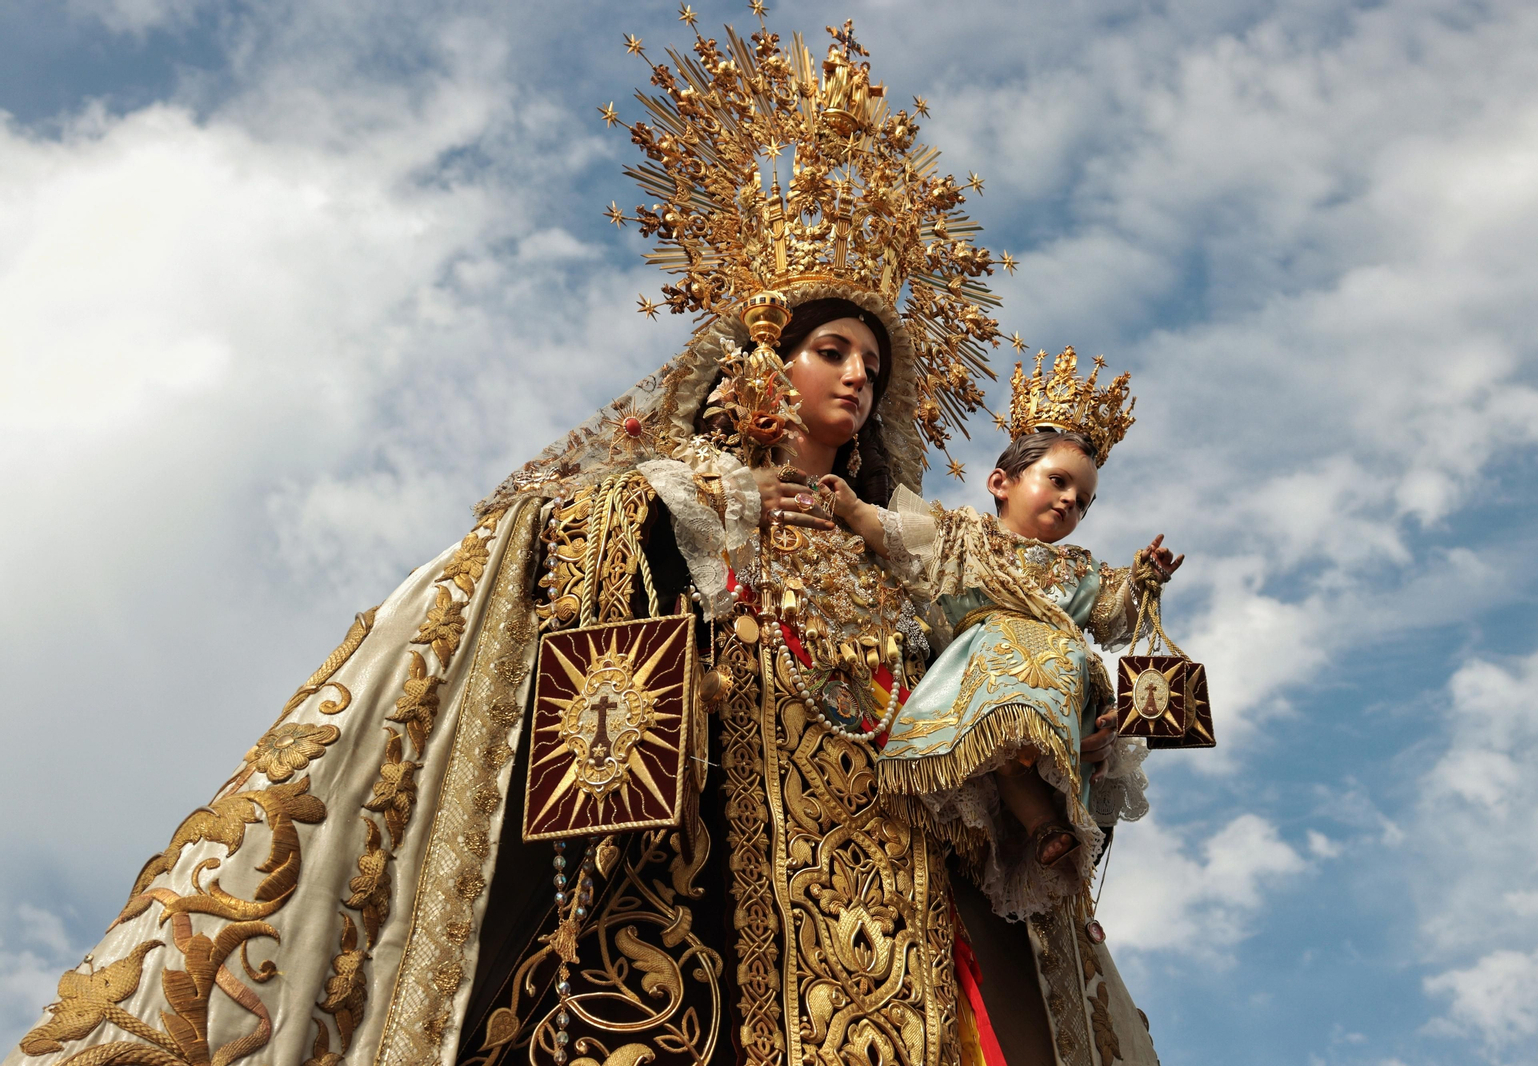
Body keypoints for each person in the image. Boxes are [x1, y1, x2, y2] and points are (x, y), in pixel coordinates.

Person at [7, 20, 1162, 1066]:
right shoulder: (678, 496)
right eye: (832, 351)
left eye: (872, 361)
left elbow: (984, 672)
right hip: (719, 863)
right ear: (764, 360)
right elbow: (559, 555)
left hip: (900, 890)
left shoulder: (903, 547)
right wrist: (667, 536)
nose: (858, 376)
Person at [820, 347, 1183, 921]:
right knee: (1005, 751)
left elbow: (1113, 617)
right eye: (1058, 482)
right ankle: (1040, 825)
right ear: (1000, 481)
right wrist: (851, 508)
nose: (1069, 502)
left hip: (1062, 689)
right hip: (987, 671)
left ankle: (1059, 838)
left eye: (1083, 501)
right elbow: (902, 536)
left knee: (1037, 746)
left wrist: (1143, 580)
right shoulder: (966, 536)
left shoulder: (1079, 569)